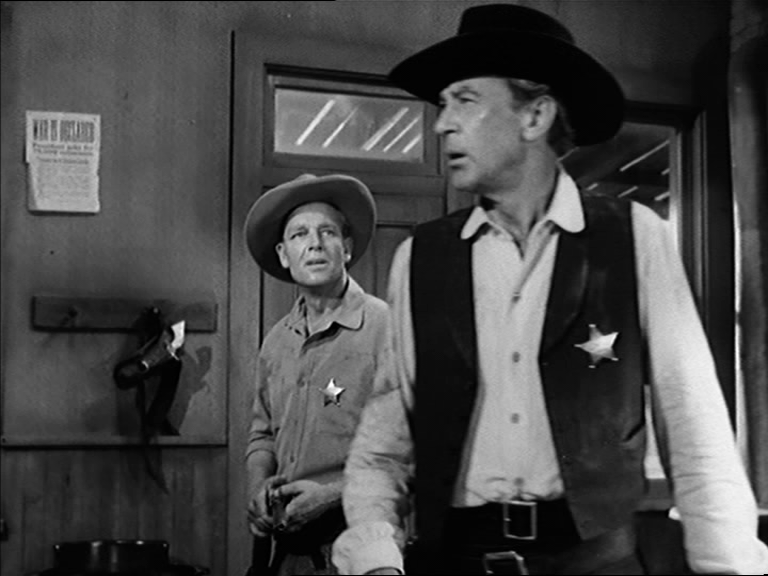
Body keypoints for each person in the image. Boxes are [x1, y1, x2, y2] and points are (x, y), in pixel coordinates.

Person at [332, 4, 768, 576]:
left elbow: (694, 425)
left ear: (535, 115)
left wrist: (728, 565)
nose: (442, 123)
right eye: (443, 104)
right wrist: (375, 559)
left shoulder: (634, 236)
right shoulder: (420, 259)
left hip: (598, 562)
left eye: (465, 100)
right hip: (459, 560)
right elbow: (383, 446)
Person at [244, 173, 389, 575]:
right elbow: (262, 434)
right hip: (289, 553)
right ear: (283, 254)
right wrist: (257, 487)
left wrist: (331, 495)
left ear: (347, 248)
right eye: (299, 234)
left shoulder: (384, 327)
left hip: (364, 549)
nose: (315, 243)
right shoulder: (276, 341)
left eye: (327, 232)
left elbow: (415, 448)